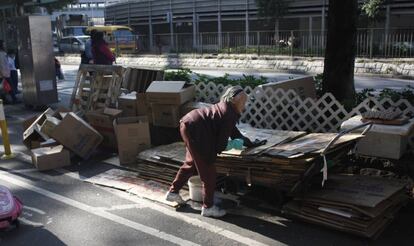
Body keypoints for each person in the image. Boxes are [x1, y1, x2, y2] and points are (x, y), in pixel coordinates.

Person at [165, 86, 266, 218]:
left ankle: (172, 193)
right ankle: (208, 207)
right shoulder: (229, 114)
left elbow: (234, 132)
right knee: (209, 171)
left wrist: (250, 143)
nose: (244, 105)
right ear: (235, 101)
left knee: (191, 164)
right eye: (243, 102)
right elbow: (220, 144)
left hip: (188, 124)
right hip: (197, 130)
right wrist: (228, 147)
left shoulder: (226, 107)